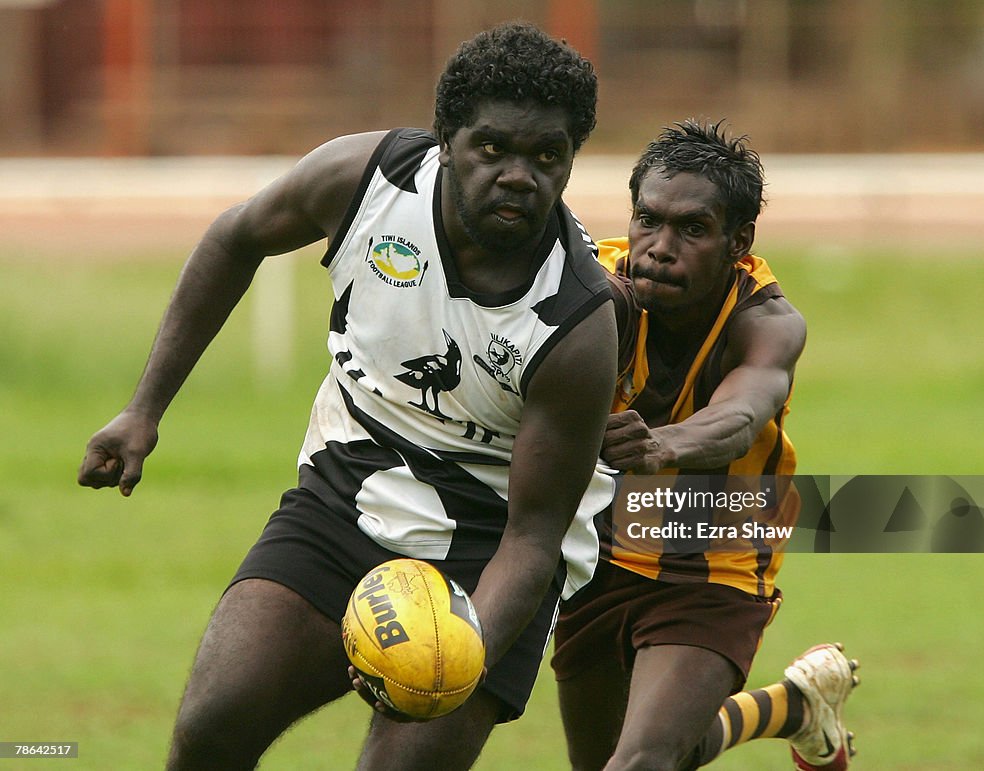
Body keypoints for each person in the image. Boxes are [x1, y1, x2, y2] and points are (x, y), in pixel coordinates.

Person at [77, 22, 619, 771]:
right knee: (212, 726)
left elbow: (531, 541)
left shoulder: (578, 319)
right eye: (492, 148)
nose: (519, 175)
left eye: (546, 155)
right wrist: (143, 409)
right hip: (344, 498)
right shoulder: (367, 181)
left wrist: (453, 655)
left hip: (488, 548)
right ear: (446, 141)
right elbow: (235, 239)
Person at [552, 120, 860, 770]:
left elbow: (743, 416)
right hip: (596, 551)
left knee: (639, 762)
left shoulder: (767, 323)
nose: (659, 248)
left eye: (692, 229)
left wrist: (660, 446)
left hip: (715, 557)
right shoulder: (594, 291)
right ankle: (796, 708)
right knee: (648, 755)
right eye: (647, 220)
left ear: (738, 242)